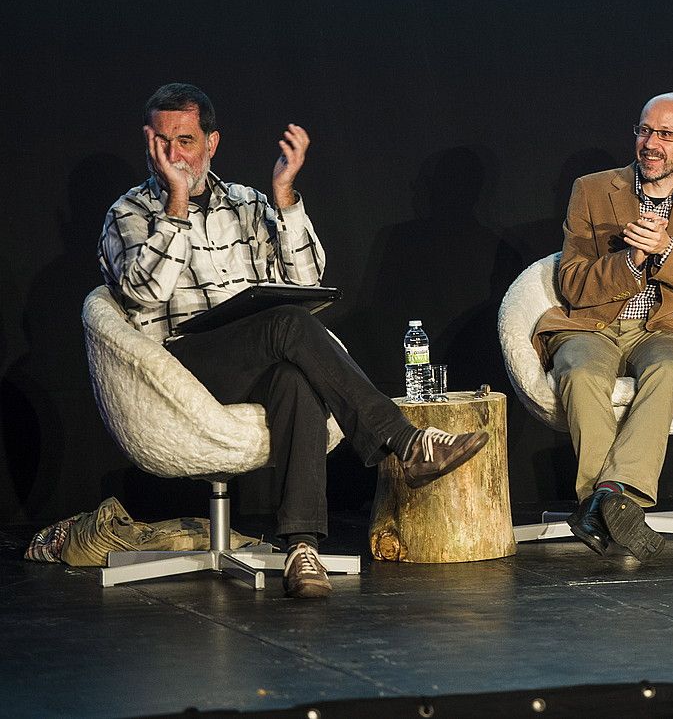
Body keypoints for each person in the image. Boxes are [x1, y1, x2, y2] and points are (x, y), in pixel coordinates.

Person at [99, 83, 489, 598]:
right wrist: (174, 204)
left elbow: (307, 284)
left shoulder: (246, 202)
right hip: (179, 366)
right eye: (162, 142)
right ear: (148, 143)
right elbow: (142, 295)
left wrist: (283, 198)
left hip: (254, 353)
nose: (174, 155)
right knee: (286, 325)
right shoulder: (128, 213)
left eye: (186, 141)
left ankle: (302, 548)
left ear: (212, 143)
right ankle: (405, 440)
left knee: (296, 376)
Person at [533, 93, 673, 561]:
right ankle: (614, 503)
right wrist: (631, 261)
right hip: (593, 325)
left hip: (666, 330)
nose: (652, 143)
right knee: (581, 372)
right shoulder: (592, 189)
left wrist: (668, 252)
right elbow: (572, 283)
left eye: (667, 135)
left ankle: (601, 501)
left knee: (668, 371)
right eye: (645, 131)